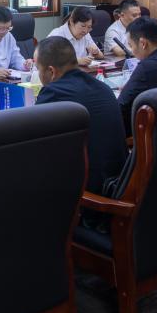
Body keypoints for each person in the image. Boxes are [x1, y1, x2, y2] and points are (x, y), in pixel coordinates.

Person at [34, 36, 127, 195]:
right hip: (119, 182)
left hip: (87, 193)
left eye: (38, 69)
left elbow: (35, 141)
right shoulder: (102, 87)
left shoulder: (54, 92)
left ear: (51, 71)